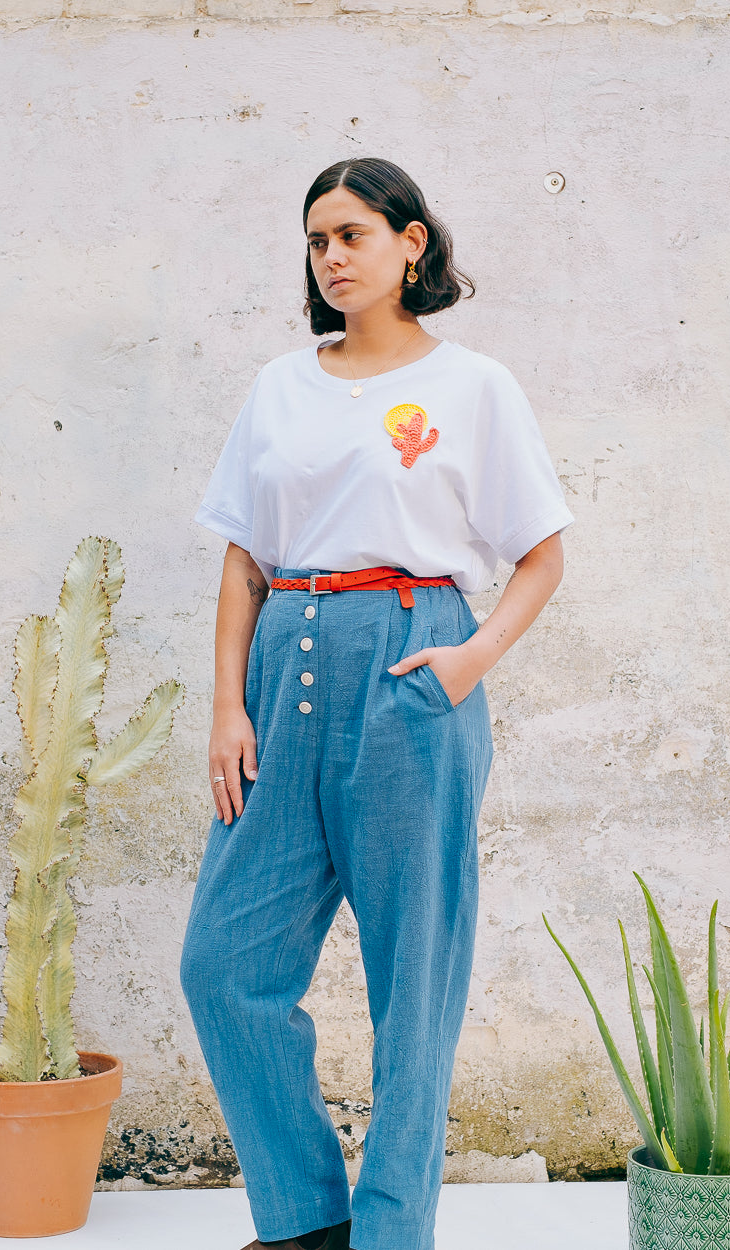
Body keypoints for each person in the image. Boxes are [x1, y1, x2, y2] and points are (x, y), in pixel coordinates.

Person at [180, 157, 573, 1250]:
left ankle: (393, 1231)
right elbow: (244, 560)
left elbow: (541, 554)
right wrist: (227, 705)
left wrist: (469, 660)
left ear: (411, 243)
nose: (331, 256)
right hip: (283, 668)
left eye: (351, 233)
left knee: (414, 977)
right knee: (224, 964)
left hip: (411, 664)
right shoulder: (280, 386)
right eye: (316, 241)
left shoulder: (474, 387)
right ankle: (306, 1220)